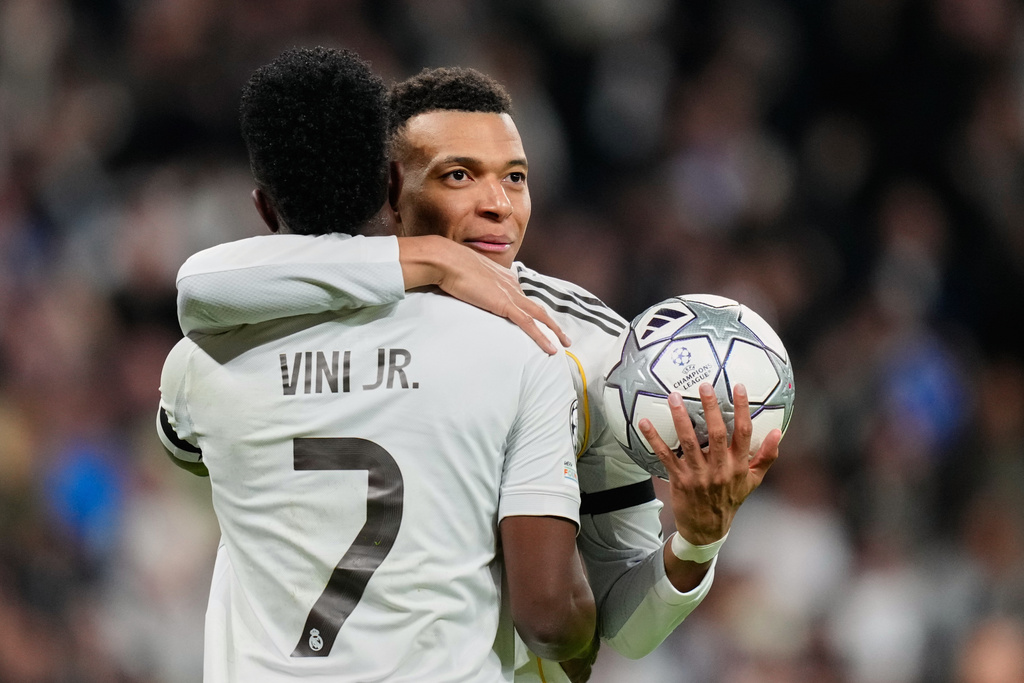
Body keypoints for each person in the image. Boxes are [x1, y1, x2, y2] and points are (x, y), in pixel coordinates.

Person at [173, 66, 781, 682]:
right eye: (458, 175)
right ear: (390, 189)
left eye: (515, 178)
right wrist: (431, 258)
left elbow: (624, 625)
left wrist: (695, 545)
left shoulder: (592, 352)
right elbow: (200, 282)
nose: (498, 204)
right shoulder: (523, 358)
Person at [156, 48, 596, 682]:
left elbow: (186, 446)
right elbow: (550, 617)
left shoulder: (197, 362)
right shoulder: (520, 350)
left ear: (261, 209)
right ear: (393, 188)